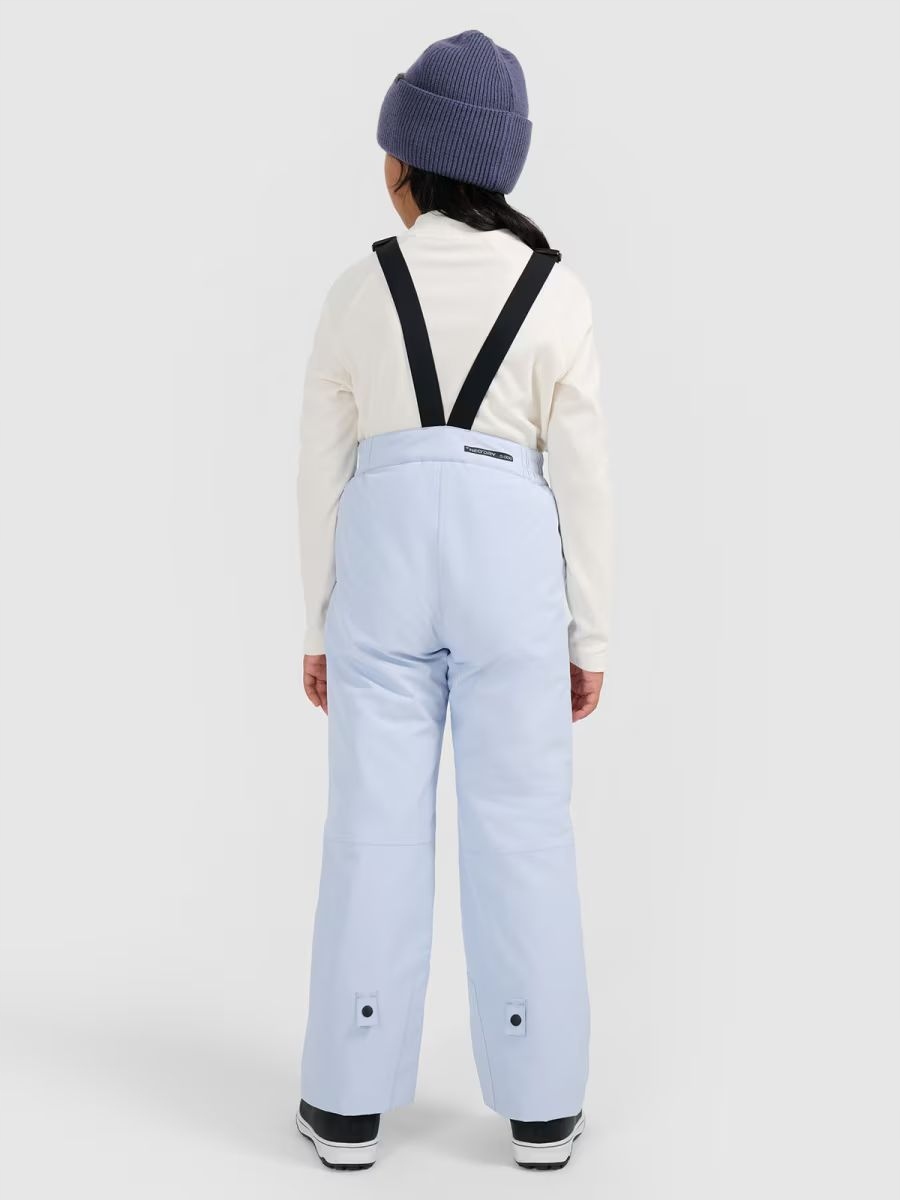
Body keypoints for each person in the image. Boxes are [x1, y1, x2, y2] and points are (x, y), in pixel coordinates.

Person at [295, 29, 612, 1171]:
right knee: (522, 825)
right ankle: (543, 1108)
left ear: (408, 162)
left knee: (372, 826)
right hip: (508, 559)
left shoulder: (358, 289)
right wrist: (591, 633)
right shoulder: (555, 292)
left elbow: (319, 468)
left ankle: (345, 1108)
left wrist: (315, 620)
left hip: (383, 562)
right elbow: (585, 476)